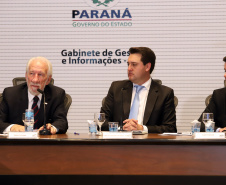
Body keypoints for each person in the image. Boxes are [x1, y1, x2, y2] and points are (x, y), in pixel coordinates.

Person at [101, 47, 177, 133]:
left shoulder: (165, 94)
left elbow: (170, 128)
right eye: (128, 64)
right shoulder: (116, 88)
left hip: (148, 144)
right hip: (119, 144)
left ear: (147, 67)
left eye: (134, 64)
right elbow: (102, 122)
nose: (129, 68)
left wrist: (142, 128)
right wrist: (122, 128)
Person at [0, 57, 68, 134]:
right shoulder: (10, 94)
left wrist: (52, 128)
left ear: (48, 79)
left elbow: (62, 122)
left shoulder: (56, 94)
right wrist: (14, 127)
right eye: (31, 73)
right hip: (17, 143)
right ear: (26, 76)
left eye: (40, 74)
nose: (35, 80)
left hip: (44, 143)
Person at [198, 56, 226, 132]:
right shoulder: (219, 95)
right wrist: (220, 130)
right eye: (225, 71)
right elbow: (201, 124)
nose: (224, 75)